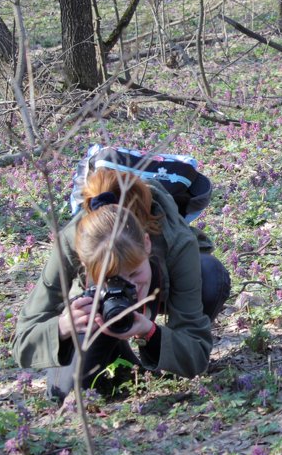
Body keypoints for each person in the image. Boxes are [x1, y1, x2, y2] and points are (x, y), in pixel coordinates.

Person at [12, 167, 230, 402]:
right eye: (111, 277)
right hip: (97, 315)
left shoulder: (176, 240)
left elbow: (197, 352)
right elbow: (22, 342)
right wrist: (63, 327)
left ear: (147, 244)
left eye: (135, 273)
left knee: (211, 274)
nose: (130, 287)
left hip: (162, 288)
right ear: (85, 263)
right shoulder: (71, 241)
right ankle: (124, 362)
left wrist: (151, 332)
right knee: (69, 390)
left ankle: (158, 362)